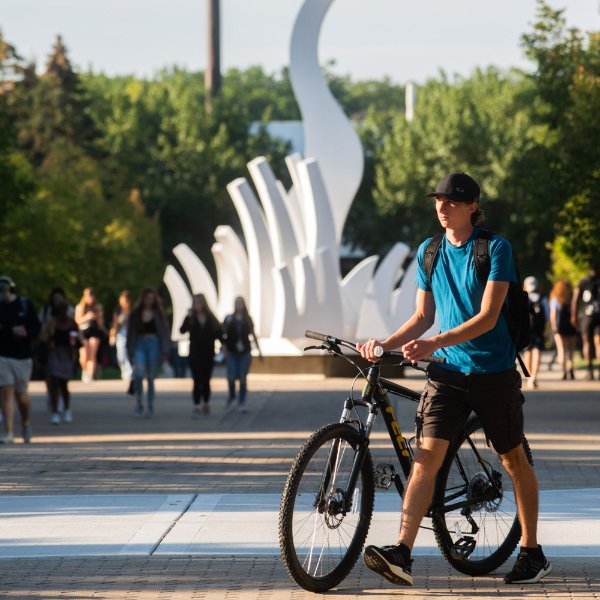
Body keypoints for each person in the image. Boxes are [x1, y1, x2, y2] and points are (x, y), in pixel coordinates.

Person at [357, 172, 551, 586]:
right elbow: (422, 317)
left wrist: (432, 343)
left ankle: (532, 552)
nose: (442, 207)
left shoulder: (495, 248)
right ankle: (402, 552)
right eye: (438, 201)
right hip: (446, 374)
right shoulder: (430, 250)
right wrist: (384, 344)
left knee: (512, 458)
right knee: (426, 458)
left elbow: (487, 317)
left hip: (492, 372)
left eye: (452, 202)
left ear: (471, 207)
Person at [0, 276, 41, 444]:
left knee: (21, 395)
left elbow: (36, 327)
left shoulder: (24, 304)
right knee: (5, 392)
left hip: (22, 356)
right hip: (2, 355)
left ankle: (25, 422)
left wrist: (27, 333)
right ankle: (9, 432)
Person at [126, 288, 170, 418]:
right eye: (147, 298)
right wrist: (129, 348)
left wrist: (165, 351)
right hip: (139, 343)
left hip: (154, 344)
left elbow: (164, 332)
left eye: (152, 298)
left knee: (150, 376)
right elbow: (131, 332)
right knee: (139, 374)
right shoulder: (136, 313)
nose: (149, 301)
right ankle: (138, 403)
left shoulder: (158, 314)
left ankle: (150, 405)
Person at [179, 294, 222, 417]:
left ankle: (206, 402)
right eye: (195, 303)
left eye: (199, 302)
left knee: (206, 379)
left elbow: (218, 332)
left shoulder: (210, 317)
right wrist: (188, 316)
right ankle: (197, 404)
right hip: (195, 353)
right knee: (197, 380)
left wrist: (224, 345)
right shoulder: (191, 318)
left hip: (208, 353)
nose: (198, 305)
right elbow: (182, 330)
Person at [40, 298, 81, 424]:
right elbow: (43, 338)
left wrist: (75, 343)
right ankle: (55, 411)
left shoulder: (72, 323)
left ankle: (67, 409)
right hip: (55, 353)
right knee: (54, 382)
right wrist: (49, 339)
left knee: (63, 384)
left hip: (67, 355)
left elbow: (79, 340)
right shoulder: (52, 323)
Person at [222, 296, 262, 413]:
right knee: (231, 376)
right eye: (236, 303)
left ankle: (242, 402)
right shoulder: (229, 318)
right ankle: (232, 395)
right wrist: (223, 348)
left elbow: (253, 335)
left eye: (240, 303)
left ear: (244, 304)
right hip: (232, 352)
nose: (238, 305)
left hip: (245, 352)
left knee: (243, 377)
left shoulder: (247, 319)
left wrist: (259, 351)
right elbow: (222, 334)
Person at [571, 264, 600, 380]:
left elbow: (575, 299)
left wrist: (573, 316)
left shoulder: (583, 282)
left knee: (586, 342)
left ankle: (589, 370)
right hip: (599, 314)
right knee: (598, 343)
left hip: (586, 316)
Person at [522, 276, 549, 389]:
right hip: (539, 330)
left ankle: (528, 377)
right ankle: (534, 376)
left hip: (527, 330)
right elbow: (547, 315)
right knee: (537, 351)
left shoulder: (524, 298)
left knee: (528, 352)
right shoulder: (543, 299)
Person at [74, 288, 106, 383]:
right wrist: (87, 317)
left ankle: (90, 374)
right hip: (83, 332)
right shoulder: (80, 307)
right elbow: (77, 321)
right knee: (84, 355)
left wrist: (98, 315)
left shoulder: (97, 307)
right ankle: (84, 371)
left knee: (92, 354)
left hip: (94, 331)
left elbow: (100, 324)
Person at [549, 280, 577, 380]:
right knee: (570, 350)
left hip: (560, 328)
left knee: (562, 350)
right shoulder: (572, 298)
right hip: (571, 327)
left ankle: (564, 371)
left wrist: (554, 328)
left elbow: (553, 315)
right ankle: (571, 368)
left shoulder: (556, 299)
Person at [109, 290, 133, 382]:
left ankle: (129, 373)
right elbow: (115, 324)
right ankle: (124, 371)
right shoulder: (118, 309)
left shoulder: (133, 309)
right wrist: (112, 335)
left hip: (130, 333)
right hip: (121, 333)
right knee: (121, 355)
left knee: (128, 353)